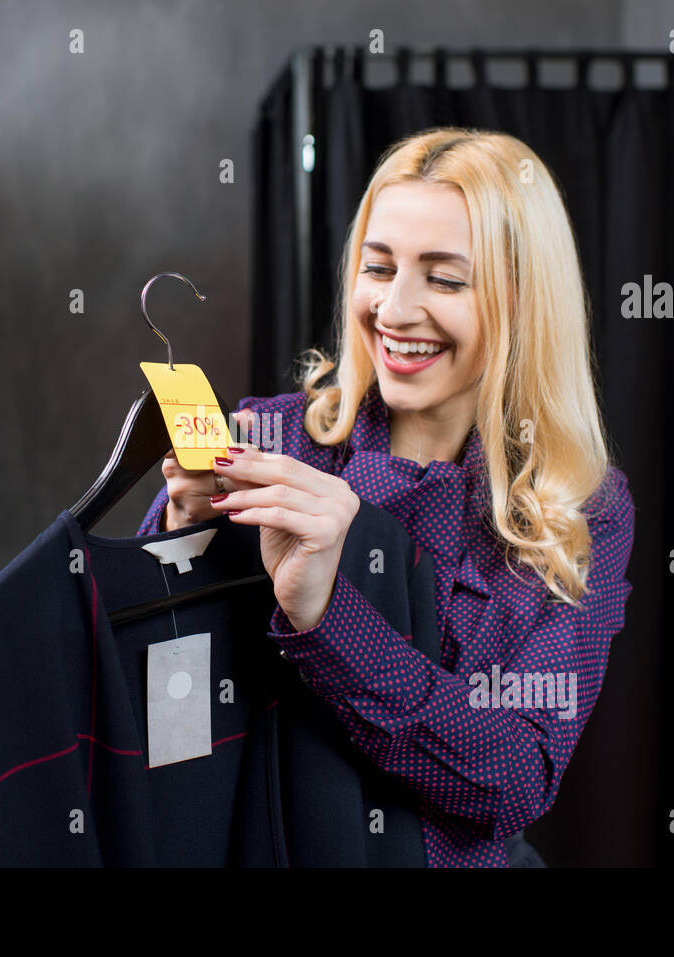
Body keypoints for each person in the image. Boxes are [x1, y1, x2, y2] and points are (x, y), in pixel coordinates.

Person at [138, 126, 636, 867]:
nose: (394, 311)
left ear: (524, 299)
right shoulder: (270, 437)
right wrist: (182, 529)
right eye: (378, 268)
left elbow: (513, 780)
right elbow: (160, 722)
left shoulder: (579, 508)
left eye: (444, 278)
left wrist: (327, 617)